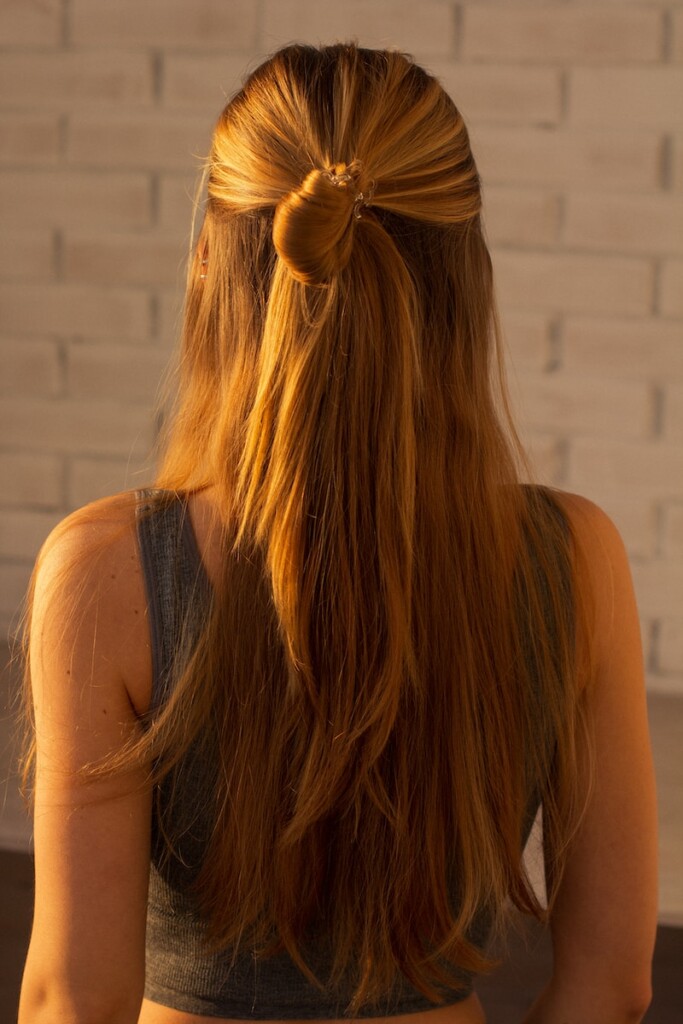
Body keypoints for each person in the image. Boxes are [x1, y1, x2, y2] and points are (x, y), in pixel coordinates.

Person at [17, 43, 657, 1024]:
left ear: (205, 268)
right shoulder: (574, 560)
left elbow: (75, 997)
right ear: (467, 283)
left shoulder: (102, 575)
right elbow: (608, 986)